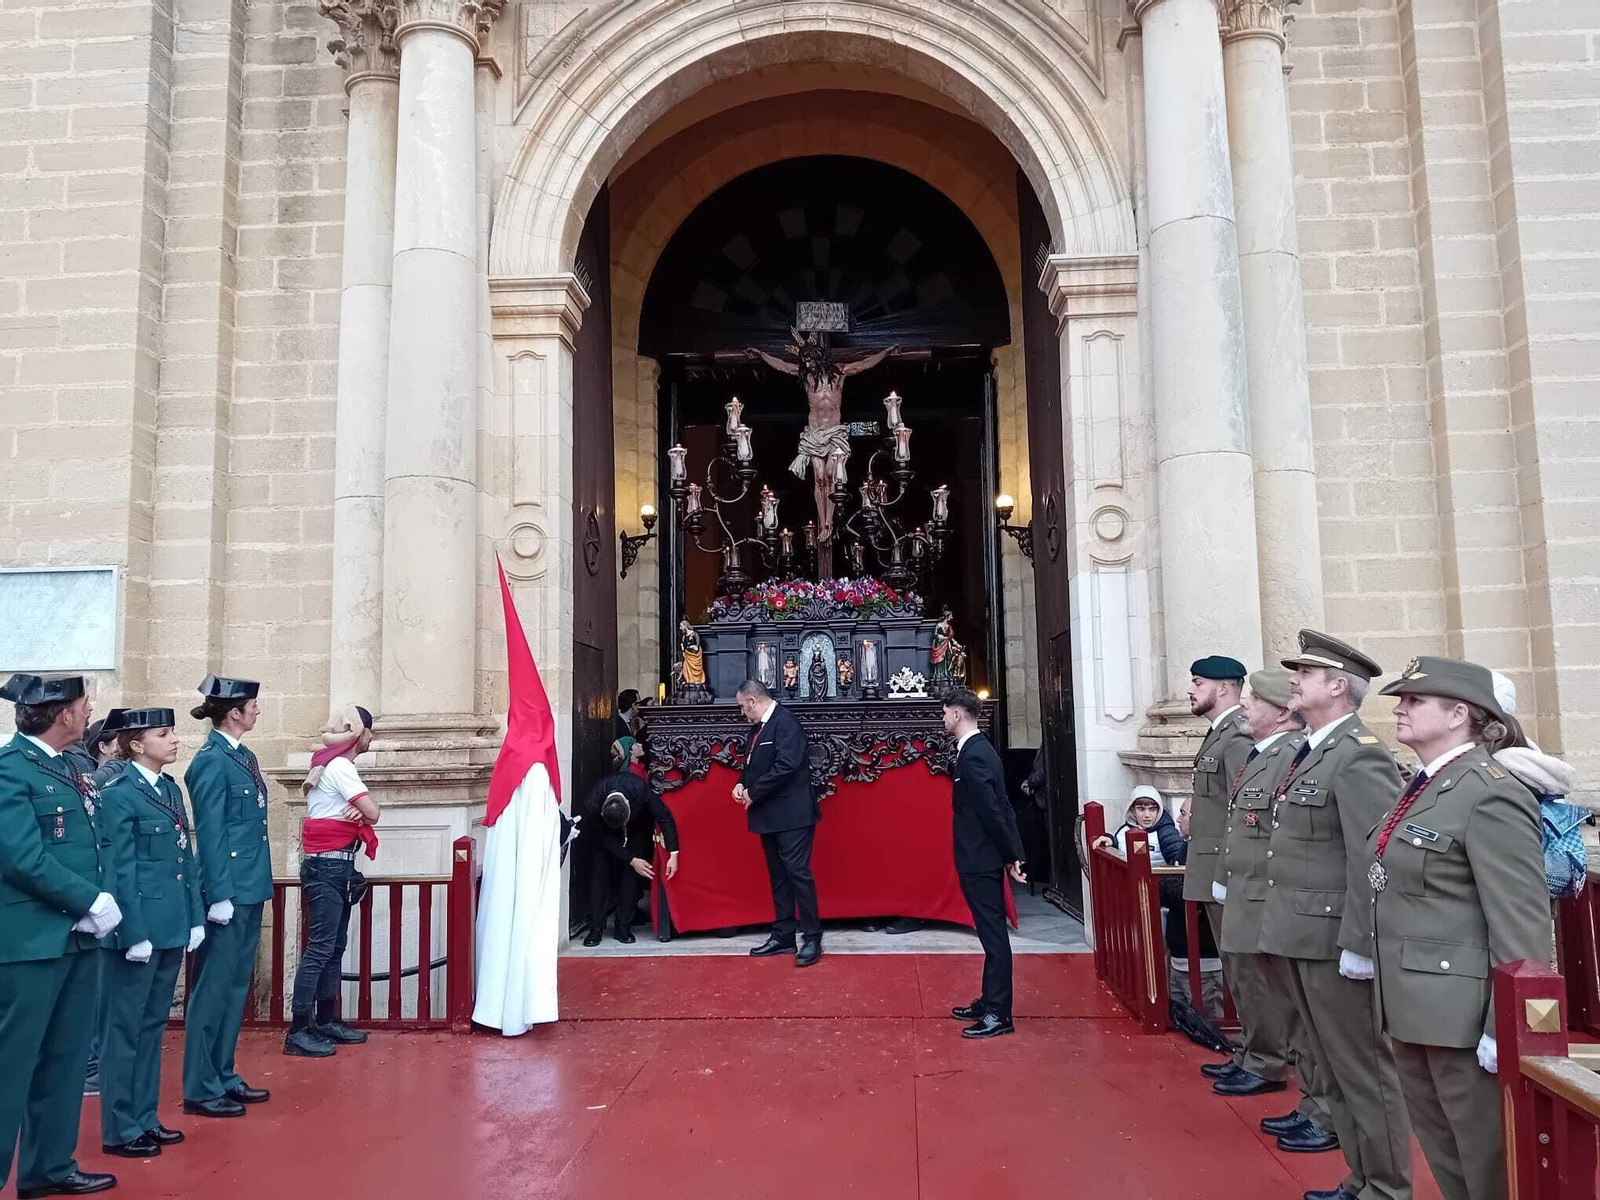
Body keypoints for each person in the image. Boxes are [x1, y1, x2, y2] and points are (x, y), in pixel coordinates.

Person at [1371, 657, 1552, 1200]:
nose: (1400, 708)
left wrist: (1508, 1024)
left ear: (1459, 714)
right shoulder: (1429, 784)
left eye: (1415, 700)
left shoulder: (1489, 790)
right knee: (1446, 1153)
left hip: (1464, 1014)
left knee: (1486, 1158)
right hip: (1412, 1003)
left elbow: (1520, 921)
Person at [1259, 630, 1410, 1200]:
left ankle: (1388, 1187)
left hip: (1334, 941)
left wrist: (1361, 943)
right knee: (1331, 1064)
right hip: (1303, 933)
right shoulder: (1316, 749)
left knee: (1363, 1070)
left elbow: (1371, 859)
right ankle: (1362, 1176)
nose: (1293, 680)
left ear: (1338, 686)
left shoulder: (1359, 755)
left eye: (1306, 673)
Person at [0, 672, 121, 1199]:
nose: (89, 708)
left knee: (67, 1059)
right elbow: (21, 857)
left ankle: (48, 1166)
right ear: (61, 714)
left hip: (77, 937)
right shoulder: (10, 770)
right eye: (82, 702)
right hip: (30, 941)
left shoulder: (74, 768)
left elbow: (95, 844)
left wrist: (96, 904)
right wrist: (86, 899)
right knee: (11, 1067)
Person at [1211, 669, 1334, 1146]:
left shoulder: (1286, 756)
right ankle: (1312, 1101)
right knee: (1271, 993)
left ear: (1283, 711)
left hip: (1276, 897)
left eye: (1254, 700)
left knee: (1296, 1007)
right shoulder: (1266, 755)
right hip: (1253, 891)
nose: (1244, 706)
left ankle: (1318, 1104)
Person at [96, 708, 204, 1159]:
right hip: (138, 929)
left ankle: (144, 1116)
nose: (175, 740)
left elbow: (184, 858)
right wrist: (131, 930)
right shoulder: (120, 794)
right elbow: (120, 868)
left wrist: (194, 916)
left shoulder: (169, 789)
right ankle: (120, 1127)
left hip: (170, 924)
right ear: (137, 744)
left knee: (152, 1025)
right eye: (164, 733)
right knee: (123, 1028)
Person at [181, 674, 272, 1119]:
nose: (257, 711)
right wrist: (218, 893)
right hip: (228, 889)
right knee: (212, 988)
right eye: (252, 705)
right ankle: (200, 1085)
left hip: (249, 884)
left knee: (235, 986)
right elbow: (212, 832)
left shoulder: (244, 756)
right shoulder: (210, 762)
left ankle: (223, 1072)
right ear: (233, 712)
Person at [285, 706, 379, 1058]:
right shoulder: (341, 767)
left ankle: (324, 1019)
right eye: (370, 731)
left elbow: (362, 811)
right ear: (359, 734)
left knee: (333, 947)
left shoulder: (332, 766)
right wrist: (366, 811)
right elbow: (373, 811)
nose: (372, 738)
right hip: (329, 868)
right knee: (321, 948)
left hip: (333, 866)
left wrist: (361, 812)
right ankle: (298, 1029)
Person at [942, 687, 1027, 1038]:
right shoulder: (980, 749)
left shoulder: (974, 755)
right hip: (984, 856)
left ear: (958, 714)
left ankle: (998, 1012)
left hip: (979, 858)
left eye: (945, 712)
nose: (942, 718)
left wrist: (1010, 856)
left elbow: (993, 811)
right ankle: (989, 999)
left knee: (993, 938)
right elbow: (1003, 806)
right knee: (988, 934)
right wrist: (1015, 854)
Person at [733, 679, 823, 967]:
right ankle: (783, 934)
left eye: (741, 707)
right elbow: (752, 765)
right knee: (778, 878)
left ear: (752, 701)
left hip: (793, 816)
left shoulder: (786, 723)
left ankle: (811, 937)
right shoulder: (757, 729)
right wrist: (740, 783)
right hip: (769, 816)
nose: (741, 714)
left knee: (798, 874)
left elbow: (787, 765)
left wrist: (752, 792)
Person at [580, 737, 680, 947]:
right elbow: (602, 836)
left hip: (635, 829)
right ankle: (596, 928)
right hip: (604, 835)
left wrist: (674, 853)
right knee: (599, 875)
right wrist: (630, 858)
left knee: (632, 875)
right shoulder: (592, 803)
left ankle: (623, 926)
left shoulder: (639, 789)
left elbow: (665, 817)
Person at [1093, 785, 1183, 865]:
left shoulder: (1166, 832)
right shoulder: (1124, 829)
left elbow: (1178, 860)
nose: (1147, 815)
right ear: (1132, 810)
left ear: (1159, 810)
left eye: (1152, 809)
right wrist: (1112, 841)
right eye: (1141, 809)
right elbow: (1120, 849)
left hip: (1159, 883)